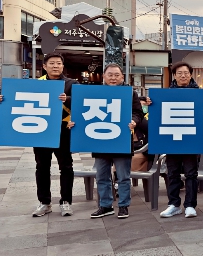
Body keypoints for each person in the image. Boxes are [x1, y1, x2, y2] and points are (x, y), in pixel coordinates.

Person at [65, 64, 146, 219]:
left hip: (121, 140)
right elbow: (82, 111)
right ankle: (105, 205)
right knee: (102, 176)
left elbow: (138, 112)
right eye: (110, 75)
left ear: (122, 77)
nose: (113, 78)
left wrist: (134, 121)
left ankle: (123, 206)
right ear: (104, 76)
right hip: (100, 140)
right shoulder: (95, 92)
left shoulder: (130, 93)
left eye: (116, 75)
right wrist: (74, 123)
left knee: (123, 177)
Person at [3, 53, 76, 217]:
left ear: (63, 66)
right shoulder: (36, 84)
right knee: (42, 167)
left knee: (66, 166)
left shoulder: (71, 84)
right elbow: (17, 98)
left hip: (64, 130)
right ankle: (44, 202)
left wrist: (68, 99)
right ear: (44, 66)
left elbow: (82, 102)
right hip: (41, 130)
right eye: (52, 63)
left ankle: (66, 202)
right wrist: (4, 99)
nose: (55, 66)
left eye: (58, 63)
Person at [143, 62, 203, 218]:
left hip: (191, 138)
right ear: (174, 75)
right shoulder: (167, 94)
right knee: (172, 173)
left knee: (191, 173)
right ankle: (174, 204)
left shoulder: (199, 94)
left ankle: (190, 205)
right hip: (172, 138)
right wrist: (151, 104)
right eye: (179, 73)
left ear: (190, 75)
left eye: (186, 73)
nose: (183, 76)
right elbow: (156, 114)